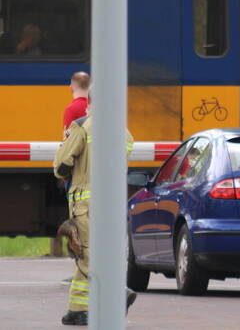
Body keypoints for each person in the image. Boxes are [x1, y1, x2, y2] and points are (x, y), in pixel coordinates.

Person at [53, 92, 136, 326]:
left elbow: (61, 166)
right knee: (88, 253)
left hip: (85, 203)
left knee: (87, 254)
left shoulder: (81, 126)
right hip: (111, 202)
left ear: (89, 104)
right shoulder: (125, 132)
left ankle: (117, 292)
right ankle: (77, 310)